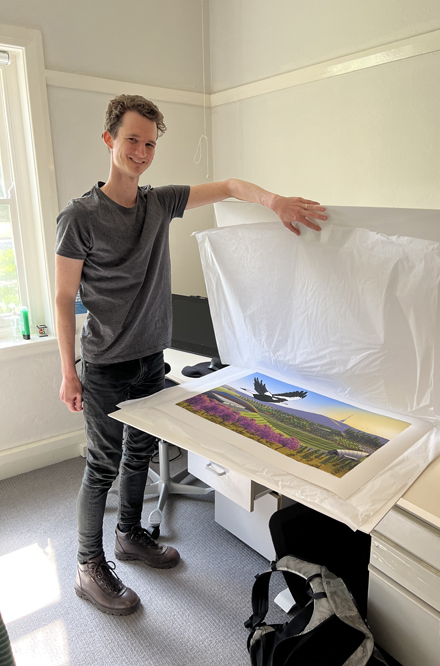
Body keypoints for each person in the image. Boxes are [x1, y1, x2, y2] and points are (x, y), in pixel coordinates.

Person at [55, 94, 327, 616]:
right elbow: (66, 299)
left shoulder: (160, 203)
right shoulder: (80, 217)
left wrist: (275, 203)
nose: (140, 151)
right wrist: (68, 371)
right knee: (102, 465)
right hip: (106, 364)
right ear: (110, 140)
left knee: (140, 454)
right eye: (132, 139)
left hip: (149, 360)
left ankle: (130, 534)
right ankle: (88, 566)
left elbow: (227, 186)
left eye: (150, 143)